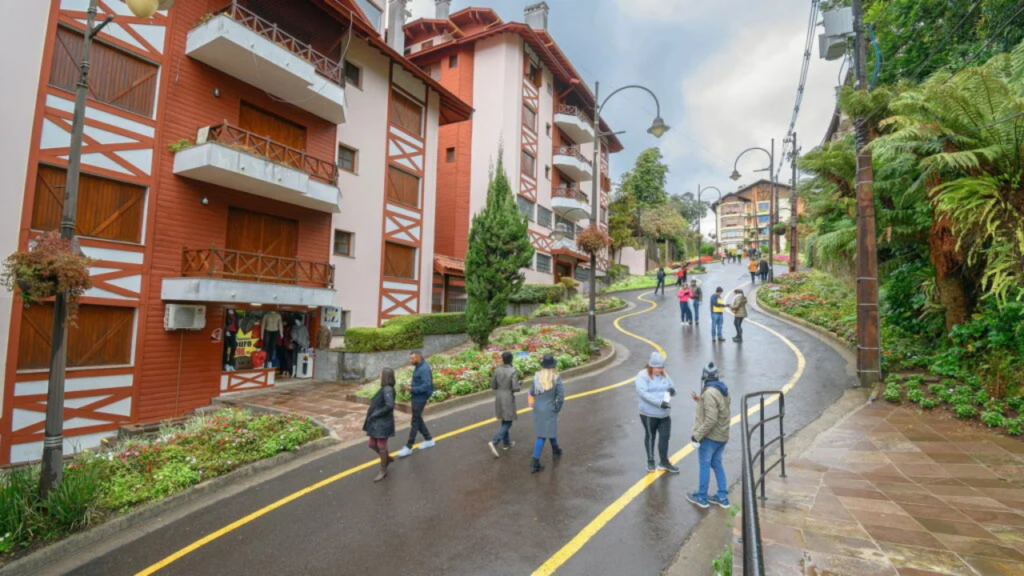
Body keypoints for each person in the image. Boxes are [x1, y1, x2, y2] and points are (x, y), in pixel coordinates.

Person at [687, 363, 731, 509]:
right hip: (723, 436)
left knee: (704, 465)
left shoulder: (709, 393)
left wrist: (697, 436)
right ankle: (722, 496)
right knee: (717, 464)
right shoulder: (723, 390)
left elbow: (711, 419)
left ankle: (701, 497)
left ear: (704, 377)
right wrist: (700, 400)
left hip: (710, 437)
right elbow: (720, 409)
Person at [635, 352, 679, 473]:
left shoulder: (664, 374)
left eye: (662, 367)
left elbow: (673, 387)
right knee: (650, 436)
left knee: (665, 437)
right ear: (651, 366)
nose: (660, 370)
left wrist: (673, 391)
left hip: (664, 413)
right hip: (649, 414)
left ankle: (664, 462)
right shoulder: (642, 375)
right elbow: (643, 393)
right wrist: (659, 403)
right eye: (658, 368)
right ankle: (650, 461)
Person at [529, 354, 564, 473]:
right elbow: (560, 396)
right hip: (549, 408)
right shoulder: (556, 378)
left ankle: (556, 449)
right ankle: (534, 462)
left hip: (538, 408)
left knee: (547, 429)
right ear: (553, 365)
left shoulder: (537, 377)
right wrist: (557, 407)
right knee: (542, 435)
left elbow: (532, 392)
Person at [396, 351, 435, 457]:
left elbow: (426, 385)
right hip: (416, 397)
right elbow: (420, 382)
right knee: (417, 418)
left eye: (412, 358)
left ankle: (409, 446)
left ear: (418, 357)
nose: (410, 360)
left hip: (420, 398)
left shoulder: (424, 369)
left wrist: (411, 388)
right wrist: (410, 387)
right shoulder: (419, 366)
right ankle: (428, 439)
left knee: (415, 421)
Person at [363, 368, 397, 482]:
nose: (380, 375)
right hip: (377, 422)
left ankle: (383, 470)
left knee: (381, 445)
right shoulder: (385, 388)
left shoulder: (388, 389)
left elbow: (389, 405)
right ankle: (387, 458)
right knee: (372, 444)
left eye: (382, 374)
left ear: (385, 376)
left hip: (383, 422)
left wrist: (376, 413)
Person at [488, 351, 520, 457]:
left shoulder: (497, 370)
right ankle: (494, 441)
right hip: (508, 397)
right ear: (511, 359)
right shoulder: (513, 371)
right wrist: (519, 384)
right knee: (508, 422)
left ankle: (506, 442)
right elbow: (515, 388)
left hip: (499, 397)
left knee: (504, 419)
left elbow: (493, 385)